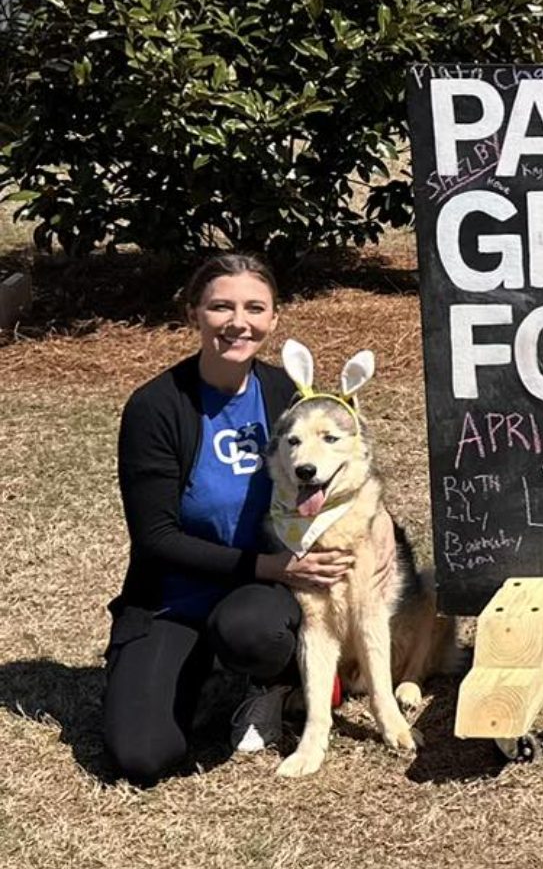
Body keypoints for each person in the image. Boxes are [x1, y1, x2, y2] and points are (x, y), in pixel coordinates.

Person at [102, 254, 355, 785]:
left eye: (254, 308)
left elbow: (340, 474)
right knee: (143, 756)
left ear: (273, 320)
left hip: (258, 601)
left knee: (250, 631)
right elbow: (155, 539)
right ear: (194, 312)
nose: (238, 322)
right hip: (176, 597)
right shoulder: (155, 407)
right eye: (221, 306)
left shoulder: (287, 395)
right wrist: (273, 567)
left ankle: (268, 681)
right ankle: (197, 665)